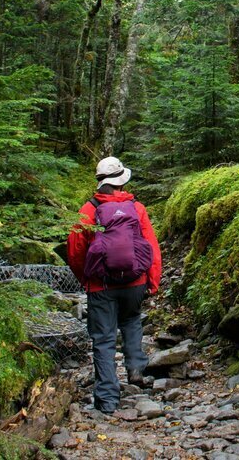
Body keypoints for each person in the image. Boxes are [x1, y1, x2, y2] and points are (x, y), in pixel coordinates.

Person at [67, 157, 162, 413]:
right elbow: (151, 246)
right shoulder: (137, 208)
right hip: (135, 281)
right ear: (122, 181)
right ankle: (135, 369)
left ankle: (107, 399)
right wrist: (153, 279)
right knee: (131, 321)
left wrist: (85, 278)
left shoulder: (88, 210)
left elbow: (75, 250)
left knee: (104, 339)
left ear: (100, 181)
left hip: (101, 286)